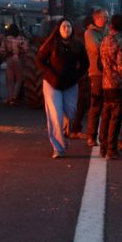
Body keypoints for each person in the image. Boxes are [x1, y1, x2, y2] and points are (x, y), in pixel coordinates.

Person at [37, 18, 88, 158]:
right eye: (64, 26)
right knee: (55, 115)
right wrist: (50, 73)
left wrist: (76, 76)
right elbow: (39, 60)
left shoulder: (77, 45)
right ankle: (58, 148)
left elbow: (85, 64)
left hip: (70, 84)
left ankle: (65, 131)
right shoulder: (51, 44)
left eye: (69, 26)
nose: (67, 29)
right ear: (58, 29)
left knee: (70, 113)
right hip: (52, 84)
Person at [98, 14, 122, 159]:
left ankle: (103, 147)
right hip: (117, 85)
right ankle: (112, 149)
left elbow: (101, 63)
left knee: (105, 115)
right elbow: (121, 66)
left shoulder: (104, 40)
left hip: (105, 83)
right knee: (116, 118)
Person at [83, 9, 109, 147]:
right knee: (96, 105)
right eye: (105, 16)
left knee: (108, 106)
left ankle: (104, 136)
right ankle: (91, 136)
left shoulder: (107, 31)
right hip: (97, 73)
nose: (107, 19)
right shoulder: (89, 34)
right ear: (97, 18)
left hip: (109, 74)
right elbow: (99, 49)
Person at [1, 26, 28, 106]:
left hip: (9, 59)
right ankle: (14, 98)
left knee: (10, 80)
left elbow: (2, 51)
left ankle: (9, 98)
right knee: (19, 79)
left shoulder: (6, 39)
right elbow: (26, 49)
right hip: (18, 59)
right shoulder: (21, 39)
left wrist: (4, 56)